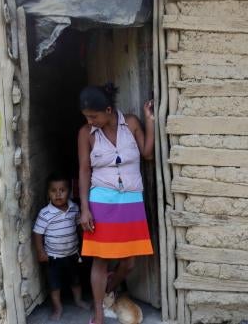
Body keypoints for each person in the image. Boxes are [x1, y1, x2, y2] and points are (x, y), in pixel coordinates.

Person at [77, 83, 154, 324]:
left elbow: (148, 153)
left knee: (129, 262)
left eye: (94, 116)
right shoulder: (85, 134)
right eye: (87, 117)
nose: (90, 121)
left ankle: (107, 288)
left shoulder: (130, 124)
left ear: (108, 110)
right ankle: (99, 312)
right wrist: (85, 208)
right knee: (100, 259)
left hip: (131, 201)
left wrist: (150, 120)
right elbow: (83, 171)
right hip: (101, 201)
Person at [33, 172, 90, 320]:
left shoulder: (74, 208)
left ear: (69, 191)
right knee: (55, 285)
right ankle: (58, 308)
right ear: (48, 193)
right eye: (53, 191)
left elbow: (79, 227)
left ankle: (78, 300)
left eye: (62, 190)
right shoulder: (45, 214)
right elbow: (38, 233)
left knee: (75, 280)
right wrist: (40, 252)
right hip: (53, 257)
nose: (58, 194)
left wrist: (84, 244)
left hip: (73, 254)